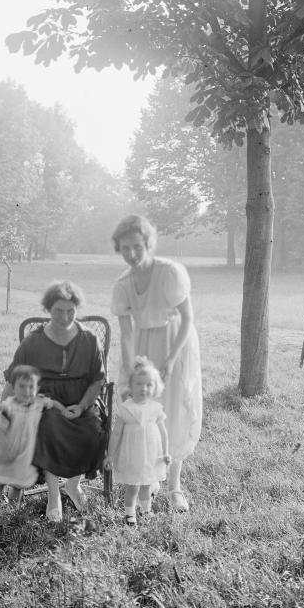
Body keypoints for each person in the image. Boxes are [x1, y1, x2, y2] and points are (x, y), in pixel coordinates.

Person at [110, 215, 202, 513]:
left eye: (137, 246)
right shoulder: (123, 284)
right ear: (119, 249)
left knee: (173, 410)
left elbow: (187, 318)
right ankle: (151, 477)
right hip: (143, 346)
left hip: (176, 342)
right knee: (146, 410)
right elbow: (125, 333)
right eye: (125, 248)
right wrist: (129, 368)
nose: (132, 253)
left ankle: (175, 485)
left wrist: (171, 360)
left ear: (148, 243)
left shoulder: (170, 273)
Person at [1, 280, 106, 522]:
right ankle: (53, 494)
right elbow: (14, 379)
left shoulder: (89, 339)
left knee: (92, 429)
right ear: (48, 310)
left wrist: (82, 406)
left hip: (80, 401)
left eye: (71, 310)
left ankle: (72, 485)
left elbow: (97, 380)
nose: (65, 316)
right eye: (59, 310)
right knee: (48, 424)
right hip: (45, 402)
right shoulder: (34, 342)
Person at [0, 364, 63, 519]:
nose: (26, 391)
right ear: (13, 387)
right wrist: (7, 449)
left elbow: (51, 403)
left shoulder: (37, 402)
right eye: (21, 386)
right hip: (4, 452)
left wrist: (63, 410)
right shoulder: (8, 407)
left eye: (30, 387)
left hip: (23, 452)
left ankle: (13, 509)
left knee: (18, 483)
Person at [104, 357, 170, 526]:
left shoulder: (156, 408)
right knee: (133, 486)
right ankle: (129, 513)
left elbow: (163, 432)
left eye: (148, 385)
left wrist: (165, 452)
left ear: (154, 387)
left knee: (147, 484)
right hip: (132, 454)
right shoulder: (127, 408)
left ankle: (146, 510)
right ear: (131, 387)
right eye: (139, 384)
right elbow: (117, 433)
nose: (144, 388)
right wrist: (110, 455)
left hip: (151, 454)